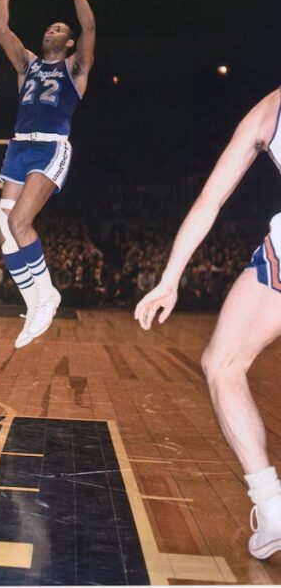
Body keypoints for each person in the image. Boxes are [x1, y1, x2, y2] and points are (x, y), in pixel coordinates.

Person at [135, 87, 281, 560]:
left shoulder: (268, 109)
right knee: (221, 362)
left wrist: (170, 278)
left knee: (223, 365)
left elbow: (210, 198)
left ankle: (272, 505)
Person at [0, 0, 96, 347]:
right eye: (49, 28)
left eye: (58, 29)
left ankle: (48, 295)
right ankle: (35, 300)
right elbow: (2, 31)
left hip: (50, 149)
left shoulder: (75, 69)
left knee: (19, 222)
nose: (50, 31)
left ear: (68, 43)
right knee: (4, 233)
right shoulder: (28, 65)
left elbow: (89, 25)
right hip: (18, 148)